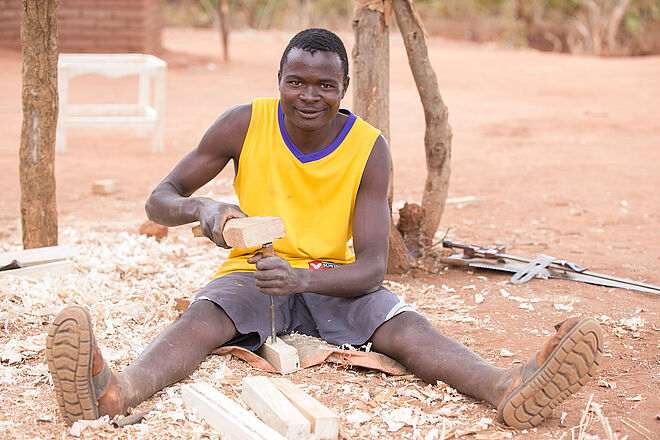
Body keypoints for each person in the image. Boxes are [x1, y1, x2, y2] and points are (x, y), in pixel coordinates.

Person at [46, 28, 603, 430]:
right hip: (256, 273)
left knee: (408, 330)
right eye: (296, 82)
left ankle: (504, 386)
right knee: (202, 320)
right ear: (280, 81)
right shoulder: (245, 123)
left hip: (329, 278)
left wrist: (302, 281)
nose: (309, 96)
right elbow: (160, 199)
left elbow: (370, 269)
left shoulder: (368, 149)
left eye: (324, 86)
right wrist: (206, 211)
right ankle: (119, 391)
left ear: (344, 88)